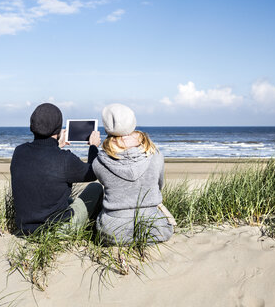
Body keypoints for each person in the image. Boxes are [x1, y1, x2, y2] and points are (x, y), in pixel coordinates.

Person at [11, 103, 103, 234]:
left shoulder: (19, 152)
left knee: (67, 199)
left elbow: (43, 163)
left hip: (25, 228)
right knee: (96, 188)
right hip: (56, 230)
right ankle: (91, 231)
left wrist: (57, 146)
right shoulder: (65, 159)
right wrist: (93, 147)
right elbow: (92, 173)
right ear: (59, 129)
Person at [93, 103, 175, 245]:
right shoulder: (155, 155)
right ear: (132, 121)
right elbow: (159, 186)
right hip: (155, 229)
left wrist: (92, 147)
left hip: (113, 233)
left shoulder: (99, 162)